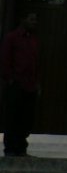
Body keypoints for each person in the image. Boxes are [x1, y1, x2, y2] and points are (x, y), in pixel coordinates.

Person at [0, 13, 38, 158]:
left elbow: (35, 62)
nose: (34, 22)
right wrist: (9, 78)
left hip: (30, 85)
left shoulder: (34, 40)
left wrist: (36, 82)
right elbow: (5, 59)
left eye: (35, 20)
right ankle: (10, 149)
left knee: (25, 118)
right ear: (23, 20)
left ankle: (21, 148)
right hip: (16, 84)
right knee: (13, 117)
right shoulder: (12, 38)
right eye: (31, 19)